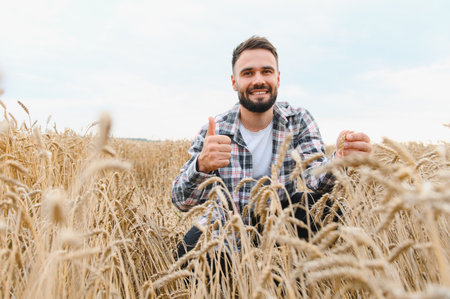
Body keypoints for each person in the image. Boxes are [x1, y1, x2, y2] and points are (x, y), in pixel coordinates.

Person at [172, 36, 372, 260]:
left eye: (266, 71)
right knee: (185, 260)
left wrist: (339, 160)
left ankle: (302, 275)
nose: (258, 80)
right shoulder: (215, 130)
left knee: (327, 210)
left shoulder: (298, 120)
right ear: (234, 82)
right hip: (226, 223)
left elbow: (315, 180)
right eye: (248, 73)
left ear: (277, 77)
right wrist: (202, 166)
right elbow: (181, 201)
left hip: (281, 218)